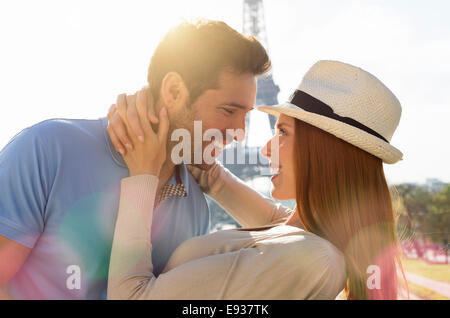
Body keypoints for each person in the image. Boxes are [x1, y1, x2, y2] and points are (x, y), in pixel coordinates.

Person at [0, 20, 270, 299]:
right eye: (228, 110)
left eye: (246, 115)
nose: (240, 134)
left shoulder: (196, 207)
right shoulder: (46, 149)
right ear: (174, 91)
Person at [106, 60, 408, 300]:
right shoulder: (298, 233)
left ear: (327, 153)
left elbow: (129, 297)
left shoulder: (311, 258)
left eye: (284, 133)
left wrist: (143, 174)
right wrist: (147, 118)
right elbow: (213, 178)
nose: (266, 148)